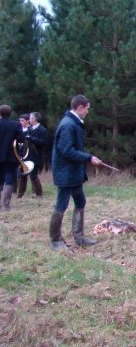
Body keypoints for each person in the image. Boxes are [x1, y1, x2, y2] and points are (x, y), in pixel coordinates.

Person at [49, 94, 102, 250]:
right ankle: (55, 241)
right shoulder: (67, 124)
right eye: (87, 109)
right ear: (80, 107)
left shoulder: (74, 123)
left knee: (80, 201)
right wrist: (89, 157)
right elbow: (66, 150)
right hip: (65, 173)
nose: (87, 112)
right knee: (61, 205)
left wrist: (87, 158)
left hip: (74, 173)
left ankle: (79, 237)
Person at [0, 105, 25, 211]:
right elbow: (22, 139)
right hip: (11, 156)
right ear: (10, 114)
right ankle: (6, 205)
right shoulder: (15, 124)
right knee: (9, 179)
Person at [25, 112, 48, 197]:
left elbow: (44, 142)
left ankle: (39, 193)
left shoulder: (42, 130)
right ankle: (35, 192)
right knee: (31, 175)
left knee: (33, 175)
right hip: (29, 155)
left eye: (30, 118)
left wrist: (32, 139)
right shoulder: (30, 129)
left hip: (37, 155)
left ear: (34, 119)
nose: (29, 119)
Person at [16, 114, 31, 198]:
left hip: (27, 154)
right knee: (18, 174)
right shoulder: (19, 129)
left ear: (27, 121)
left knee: (28, 174)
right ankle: (17, 192)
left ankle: (21, 193)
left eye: (22, 120)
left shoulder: (30, 130)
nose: (20, 122)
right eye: (20, 120)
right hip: (19, 153)